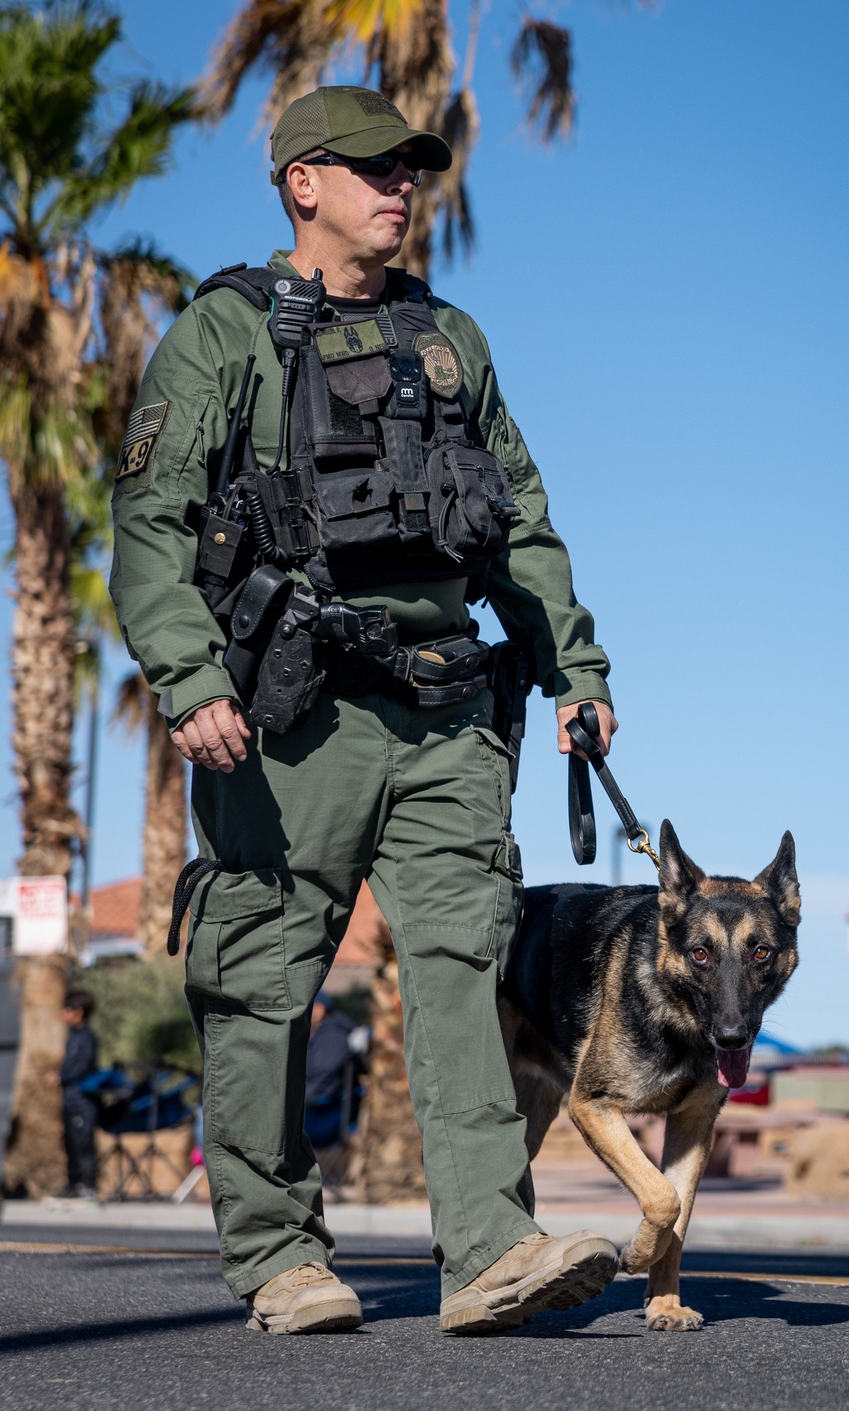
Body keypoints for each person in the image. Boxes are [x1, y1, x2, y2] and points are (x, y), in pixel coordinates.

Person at [110, 85, 619, 1336]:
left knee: (460, 963)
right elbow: (150, 529)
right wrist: (189, 679)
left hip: (448, 712)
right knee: (264, 983)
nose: (401, 186)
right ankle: (279, 1255)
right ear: (303, 184)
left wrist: (576, 673)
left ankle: (490, 1250)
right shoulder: (223, 336)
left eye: (410, 169)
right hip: (288, 719)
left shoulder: (451, 340)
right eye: (374, 168)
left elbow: (520, 523)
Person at [304, 992, 364, 1151]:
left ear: (322, 1008)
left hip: (323, 1110)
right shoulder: (323, 1030)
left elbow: (325, 1071)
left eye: (314, 1006)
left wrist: (304, 1095)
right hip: (317, 1103)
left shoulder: (333, 1034)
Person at [55, 988, 98, 1198]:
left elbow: (81, 1065)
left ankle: (87, 1186)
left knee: (83, 1144)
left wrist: (60, 1077)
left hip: (82, 1101)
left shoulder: (86, 1037)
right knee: (70, 1143)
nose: (64, 1015)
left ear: (78, 1012)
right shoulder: (72, 1036)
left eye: (67, 1010)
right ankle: (73, 1185)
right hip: (69, 1099)